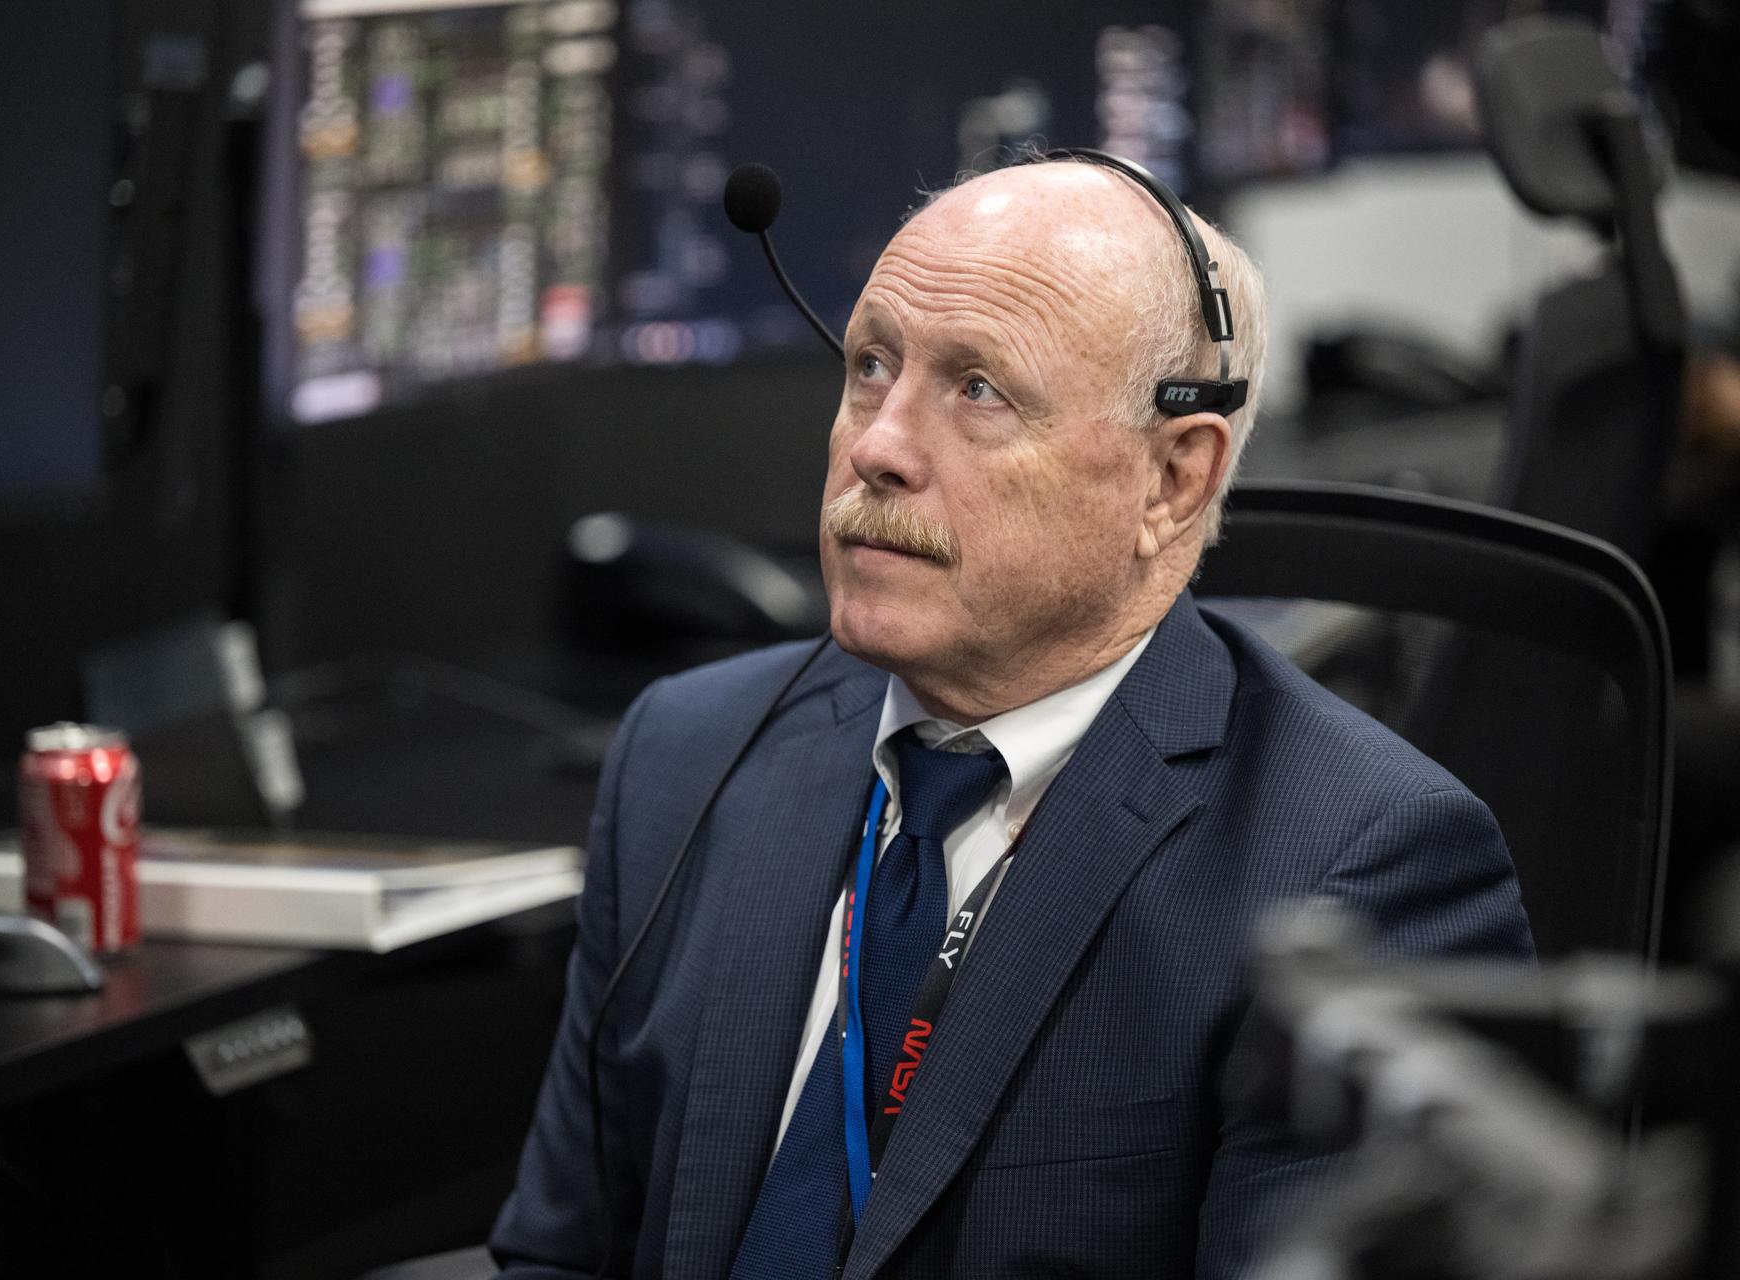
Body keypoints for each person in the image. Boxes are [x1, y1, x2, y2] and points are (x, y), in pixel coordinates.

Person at [489, 155, 1534, 1279]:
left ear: (1173, 479)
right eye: (871, 365)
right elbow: (558, 1257)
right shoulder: (686, 753)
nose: (877, 446)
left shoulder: (1357, 865)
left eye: (979, 389)